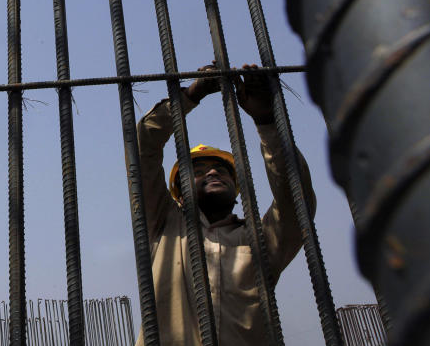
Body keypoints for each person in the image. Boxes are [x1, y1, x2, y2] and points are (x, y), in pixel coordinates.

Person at [135, 65, 315, 346]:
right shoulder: (163, 225)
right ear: (178, 195)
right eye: (198, 170)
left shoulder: (261, 240)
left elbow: (296, 199)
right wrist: (191, 95)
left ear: (236, 192)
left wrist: (266, 121)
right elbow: (143, 145)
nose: (212, 172)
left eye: (221, 170)